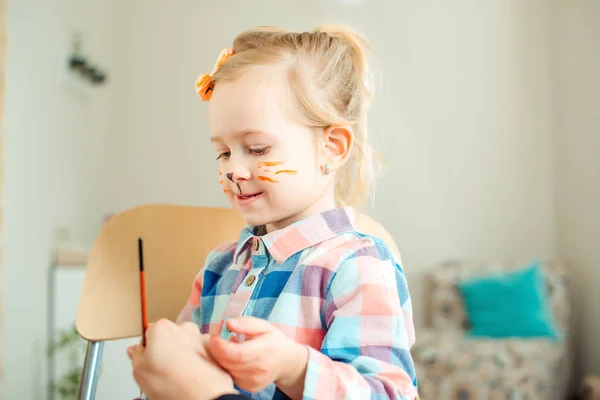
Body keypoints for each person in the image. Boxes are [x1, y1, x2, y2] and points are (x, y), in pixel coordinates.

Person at [130, 24, 418, 400]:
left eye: (258, 148)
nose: (234, 169)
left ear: (331, 147)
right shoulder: (219, 268)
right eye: (223, 152)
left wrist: (295, 368)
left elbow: (388, 394)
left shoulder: (356, 265)